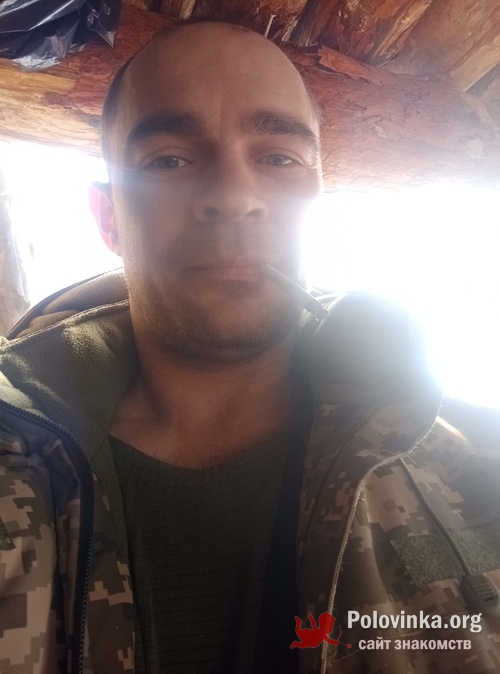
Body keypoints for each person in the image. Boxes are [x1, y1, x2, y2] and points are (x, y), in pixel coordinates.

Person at [1, 19, 500, 674]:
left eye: (278, 158)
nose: (233, 197)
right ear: (109, 218)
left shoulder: (481, 469)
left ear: (316, 198)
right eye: (168, 160)